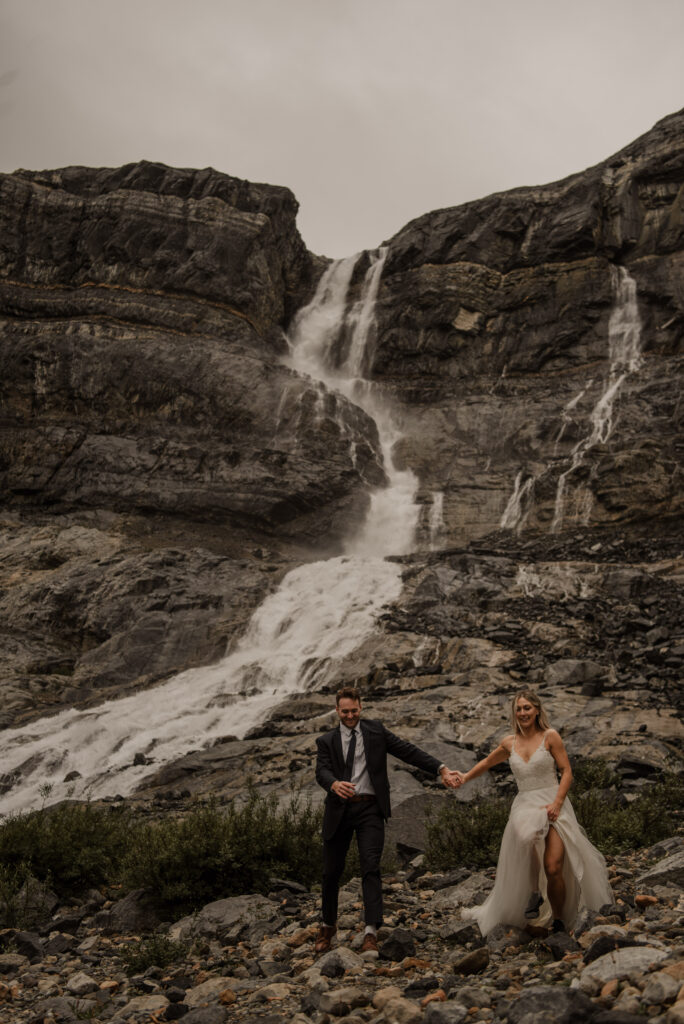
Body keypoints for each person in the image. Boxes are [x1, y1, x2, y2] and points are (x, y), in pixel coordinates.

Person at [451, 689, 612, 936]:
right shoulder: (509, 742)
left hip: (552, 803)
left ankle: (558, 919)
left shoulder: (550, 736)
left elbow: (566, 771)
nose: (523, 713)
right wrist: (464, 777)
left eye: (527, 708)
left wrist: (557, 803)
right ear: (514, 713)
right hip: (525, 804)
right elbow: (486, 763)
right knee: (526, 839)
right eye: (519, 709)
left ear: (537, 710)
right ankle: (534, 893)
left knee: (554, 866)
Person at [315, 685, 456, 954]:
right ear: (336, 710)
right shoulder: (326, 741)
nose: (349, 716)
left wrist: (441, 768)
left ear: (361, 707)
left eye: (354, 711)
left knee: (370, 867)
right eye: (344, 712)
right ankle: (328, 926)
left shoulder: (376, 731)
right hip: (339, 811)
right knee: (330, 872)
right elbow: (321, 770)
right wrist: (333, 784)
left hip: (370, 809)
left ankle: (371, 931)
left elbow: (408, 751)